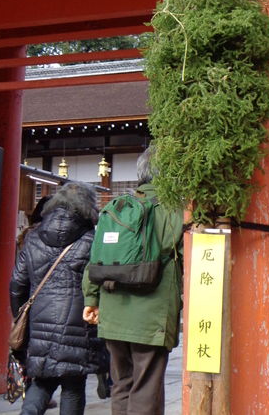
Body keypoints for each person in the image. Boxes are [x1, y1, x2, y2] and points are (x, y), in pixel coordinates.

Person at [82, 147, 184, 415]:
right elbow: (187, 255)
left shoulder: (117, 208)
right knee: (145, 389)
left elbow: (96, 258)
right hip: (150, 317)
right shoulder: (172, 210)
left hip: (113, 315)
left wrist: (91, 300)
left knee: (122, 385)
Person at [10, 182, 108, 415]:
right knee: (73, 385)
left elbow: (16, 285)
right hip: (80, 328)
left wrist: (21, 316)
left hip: (40, 325)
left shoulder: (33, 238)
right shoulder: (91, 240)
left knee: (42, 381)